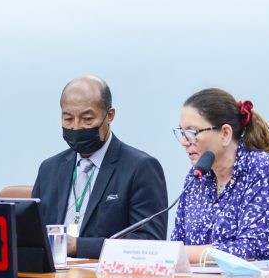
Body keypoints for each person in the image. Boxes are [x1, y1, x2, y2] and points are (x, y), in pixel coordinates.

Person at [170, 88, 269, 267]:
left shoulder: (261, 169)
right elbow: (177, 242)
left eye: (192, 132)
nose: (185, 142)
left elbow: (253, 249)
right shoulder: (197, 177)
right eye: (182, 133)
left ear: (225, 133)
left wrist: (180, 252)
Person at [32, 76, 168, 259]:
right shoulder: (49, 169)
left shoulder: (140, 168)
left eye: (87, 119)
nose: (77, 127)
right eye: (68, 119)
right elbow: (32, 234)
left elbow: (150, 243)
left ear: (109, 115)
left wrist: (78, 246)